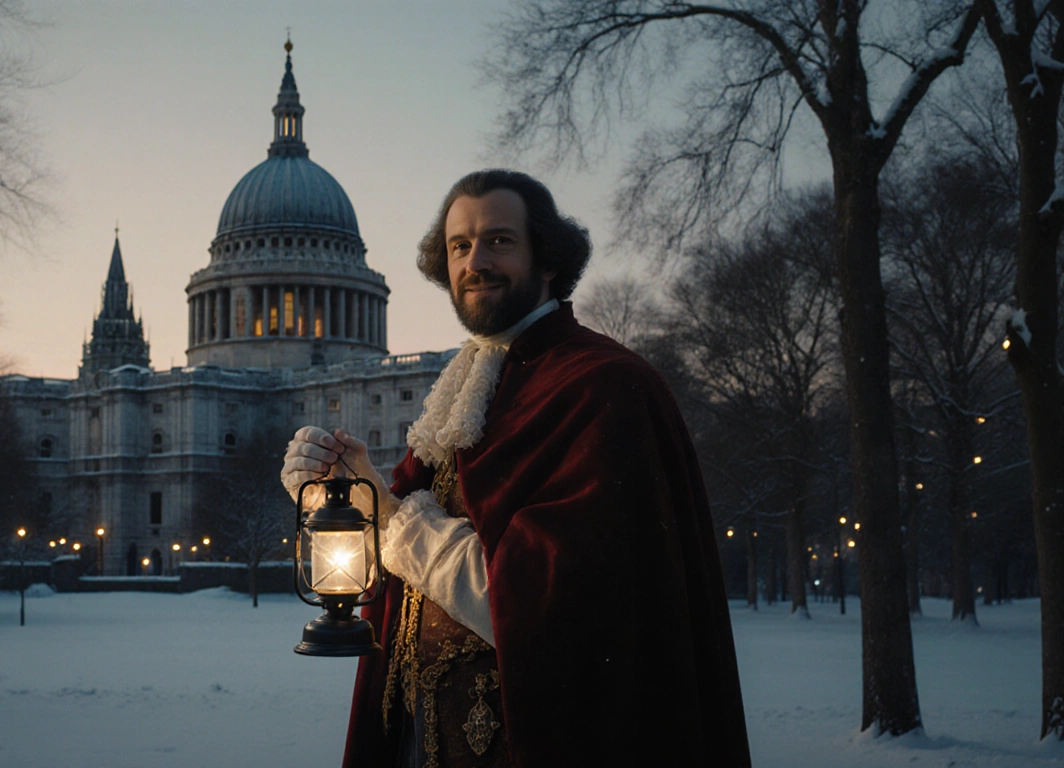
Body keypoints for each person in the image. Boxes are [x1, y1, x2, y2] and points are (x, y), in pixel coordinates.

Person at [282, 169, 751, 767]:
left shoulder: (602, 387)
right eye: (459, 246)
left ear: (548, 258)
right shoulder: (466, 391)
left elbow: (548, 616)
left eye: (499, 240)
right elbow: (400, 569)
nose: (475, 261)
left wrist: (394, 516)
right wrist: (344, 494)